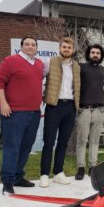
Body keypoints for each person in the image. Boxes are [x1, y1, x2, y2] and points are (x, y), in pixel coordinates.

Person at [0, 36, 44, 195]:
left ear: (36, 48)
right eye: (27, 44)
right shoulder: (10, 61)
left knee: (26, 147)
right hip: (14, 113)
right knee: (12, 147)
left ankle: (17, 176)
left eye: (33, 44)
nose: (30, 46)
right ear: (21, 46)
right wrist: (3, 103)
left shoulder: (39, 64)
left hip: (34, 113)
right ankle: (7, 181)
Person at [39, 37, 81, 188]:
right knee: (49, 141)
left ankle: (58, 172)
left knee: (63, 142)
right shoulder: (49, 62)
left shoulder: (76, 66)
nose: (66, 49)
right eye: (64, 47)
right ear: (59, 48)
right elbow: (38, 79)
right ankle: (44, 174)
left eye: (69, 48)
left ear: (73, 50)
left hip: (70, 107)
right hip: (54, 106)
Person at [74, 44, 104, 180]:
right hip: (84, 110)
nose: (95, 55)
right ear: (88, 54)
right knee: (82, 140)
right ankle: (81, 168)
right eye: (93, 52)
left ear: (101, 56)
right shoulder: (80, 67)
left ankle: (92, 167)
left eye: (98, 53)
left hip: (99, 110)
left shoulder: (103, 70)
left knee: (94, 141)